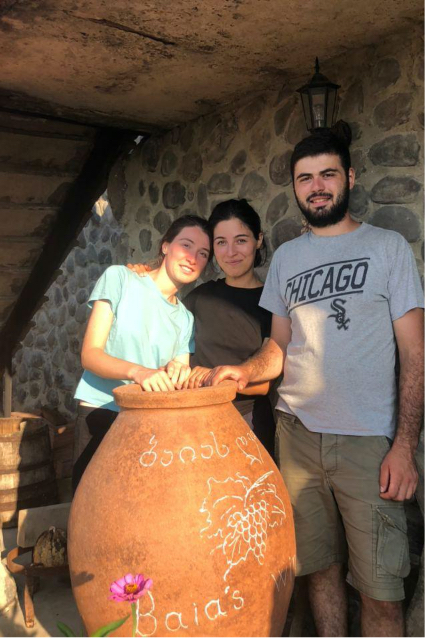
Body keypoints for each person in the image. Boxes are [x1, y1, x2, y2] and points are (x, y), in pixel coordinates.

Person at [205, 127, 424, 637]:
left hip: (368, 442)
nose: (317, 186)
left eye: (328, 174)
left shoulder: (387, 247)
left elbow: (415, 353)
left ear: (350, 177)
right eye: (305, 178)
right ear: (295, 188)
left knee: (381, 590)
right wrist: (246, 371)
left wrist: (404, 446)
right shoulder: (287, 258)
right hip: (297, 435)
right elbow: (278, 346)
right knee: (318, 572)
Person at [72, 215, 212, 492]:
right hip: (100, 411)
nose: (192, 258)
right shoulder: (119, 278)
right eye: (186, 245)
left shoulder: (185, 319)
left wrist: (178, 372)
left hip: (146, 423)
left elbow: (177, 373)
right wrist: (139, 372)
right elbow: (90, 355)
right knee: (89, 507)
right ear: (165, 246)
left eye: (203, 253)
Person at [129, 199, 276, 457]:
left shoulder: (271, 304)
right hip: (189, 422)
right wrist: (141, 276)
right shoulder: (200, 297)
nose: (231, 252)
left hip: (247, 425)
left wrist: (211, 378)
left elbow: (265, 384)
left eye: (241, 240)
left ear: (259, 240)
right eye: (221, 242)